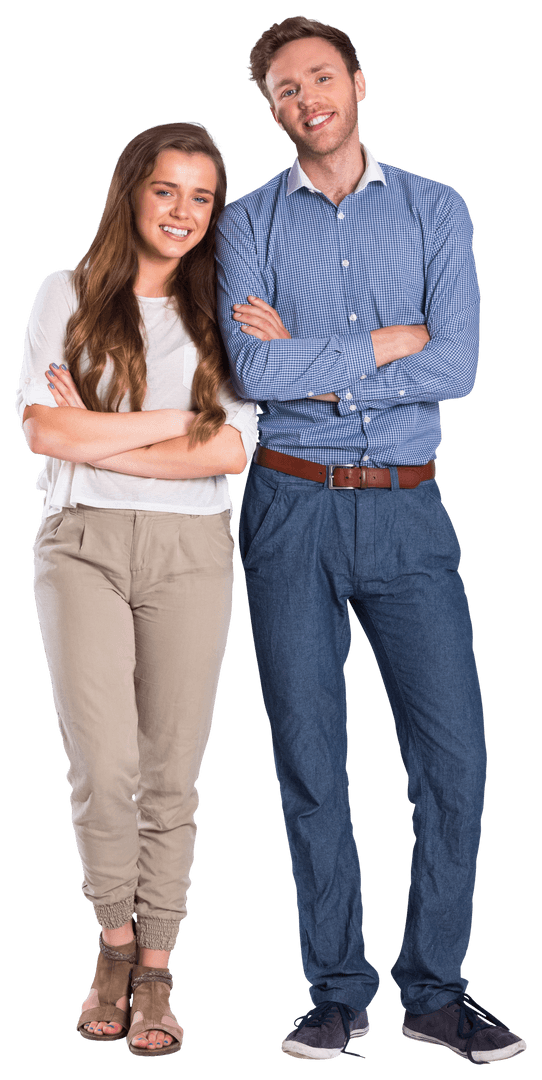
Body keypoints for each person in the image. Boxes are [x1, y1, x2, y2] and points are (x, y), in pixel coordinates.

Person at [215, 16, 527, 1066]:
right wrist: (389, 345)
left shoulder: (436, 208)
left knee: (456, 760)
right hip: (289, 508)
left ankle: (434, 991)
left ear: (356, 82)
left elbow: (458, 365)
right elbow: (253, 373)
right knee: (310, 759)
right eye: (283, 89)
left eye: (319, 77)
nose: (305, 98)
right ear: (271, 110)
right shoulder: (247, 223)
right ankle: (334, 993)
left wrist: (318, 365)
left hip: (407, 508)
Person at [17, 122, 257, 1057]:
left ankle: (155, 971)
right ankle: (112, 944)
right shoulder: (66, 293)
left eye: (202, 197)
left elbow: (231, 449)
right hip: (79, 541)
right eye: (166, 190)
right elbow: (46, 434)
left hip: (192, 551)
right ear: (131, 192)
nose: (183, 212)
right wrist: (172, 421)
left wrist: (104, 430)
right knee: (102, 767)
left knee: (171, 773)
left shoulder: (228, 312)